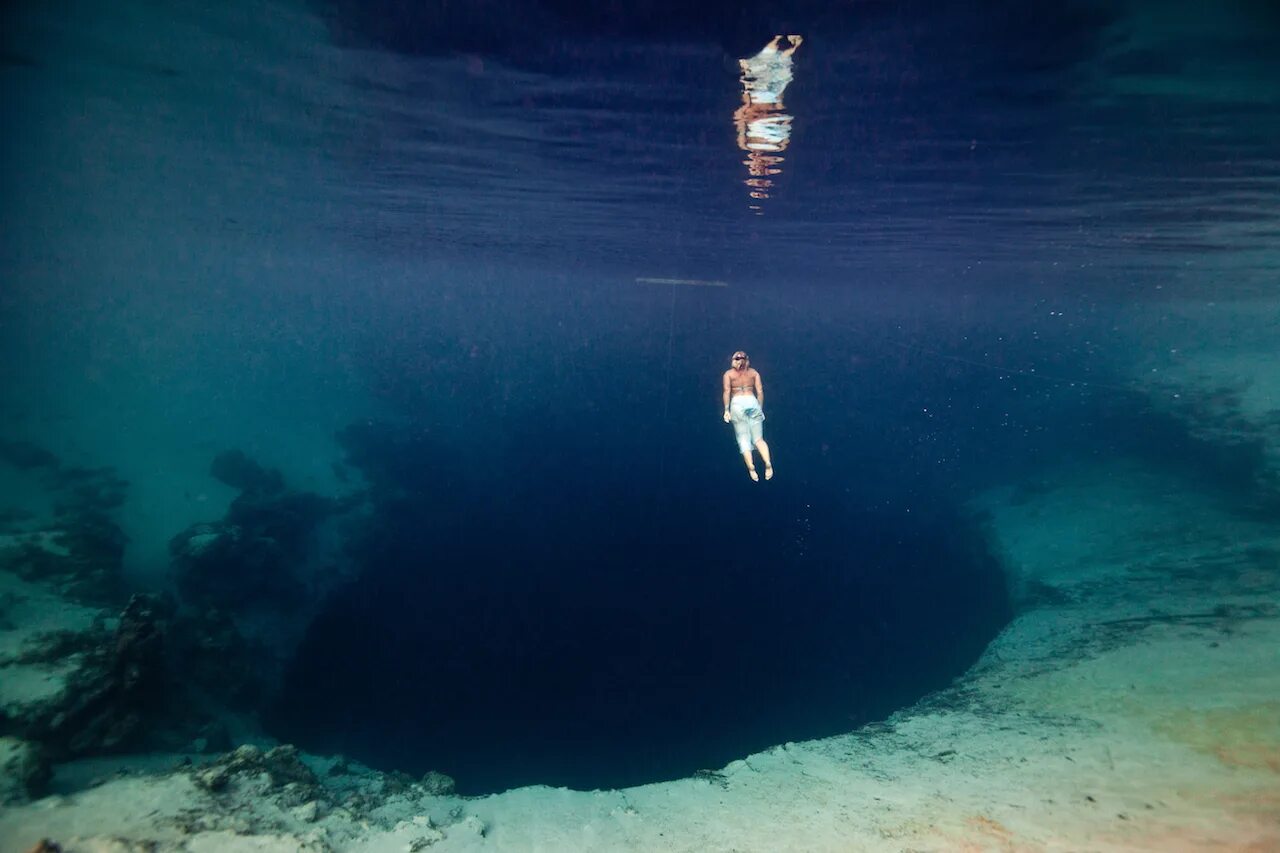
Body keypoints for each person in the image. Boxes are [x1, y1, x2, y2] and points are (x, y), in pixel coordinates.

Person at [722, 351, 773, 481]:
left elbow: (727, 391)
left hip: (737, 403)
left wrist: (726, 410)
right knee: (759, 439)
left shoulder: (729, 374)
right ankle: (768, 463)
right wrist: (759, 408)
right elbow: (760, 392)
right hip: (752, 400)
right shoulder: (754, 373)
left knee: (743, 439)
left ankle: (751, 467)